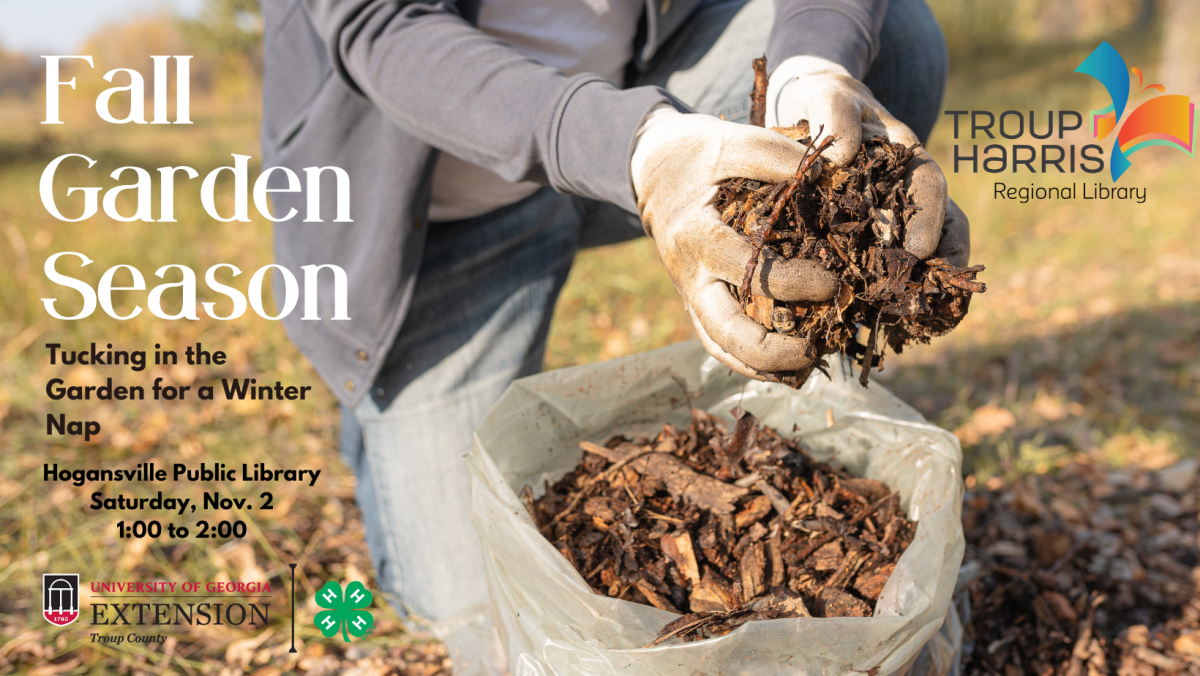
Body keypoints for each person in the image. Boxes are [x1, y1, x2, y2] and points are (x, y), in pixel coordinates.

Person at [260, 0, 969, 671]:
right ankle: (380, 390)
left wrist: (813, 62)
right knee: (479, 615)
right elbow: (384, 26)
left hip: (629, 103)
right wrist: (640, 148)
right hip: (433, 225)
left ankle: (808, 327)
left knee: (889, 34)